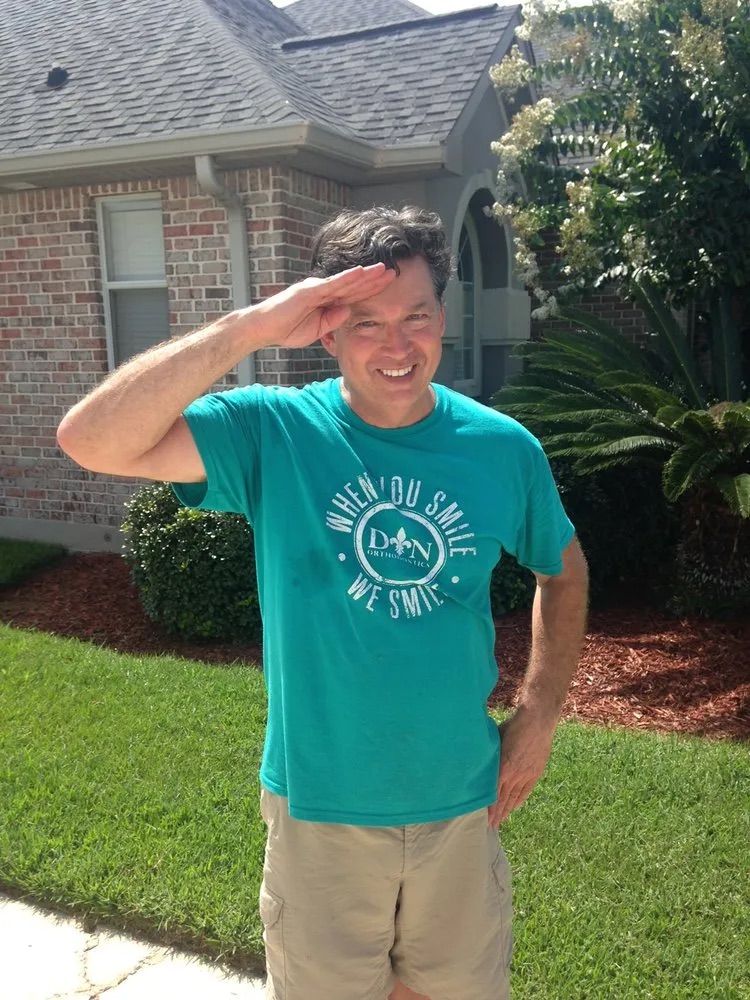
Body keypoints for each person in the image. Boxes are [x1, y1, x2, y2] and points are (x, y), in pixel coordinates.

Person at [56, 205, 589, 1000]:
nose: (398, 345)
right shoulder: (271, 432)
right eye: (366, 323)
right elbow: (91, 439)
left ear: (444, 314)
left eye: (416, 315)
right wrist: (247, 329)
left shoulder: (501, 447)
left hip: (460, 804)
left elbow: (564, 568)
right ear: (326, 332)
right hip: (320, 809)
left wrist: (540, 712)